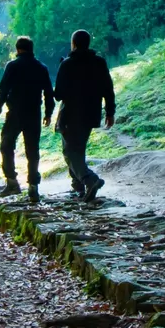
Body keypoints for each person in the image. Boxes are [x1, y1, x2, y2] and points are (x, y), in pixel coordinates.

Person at [53, 29, 115, 202]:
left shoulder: (67, 64)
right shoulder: (99, 62)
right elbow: (108, 90)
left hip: (70, 115)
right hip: (91, 114)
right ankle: (78, 187)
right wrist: (110, 112)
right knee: (78, 150)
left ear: (73, 44)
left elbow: (58, 94)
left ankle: (89, 180)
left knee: (69, 152)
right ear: (88, 43)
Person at [0, 36, 56, 203]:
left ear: (18, 49)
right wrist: (48, 113)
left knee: (7, 145)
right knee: (32, 151)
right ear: (31, 49)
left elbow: (3, 90)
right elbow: (49, 92)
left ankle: (12, 182)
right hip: (34, 114)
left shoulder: (13, 66)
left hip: (15, 113)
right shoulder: (41, 67)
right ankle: (33, 188)